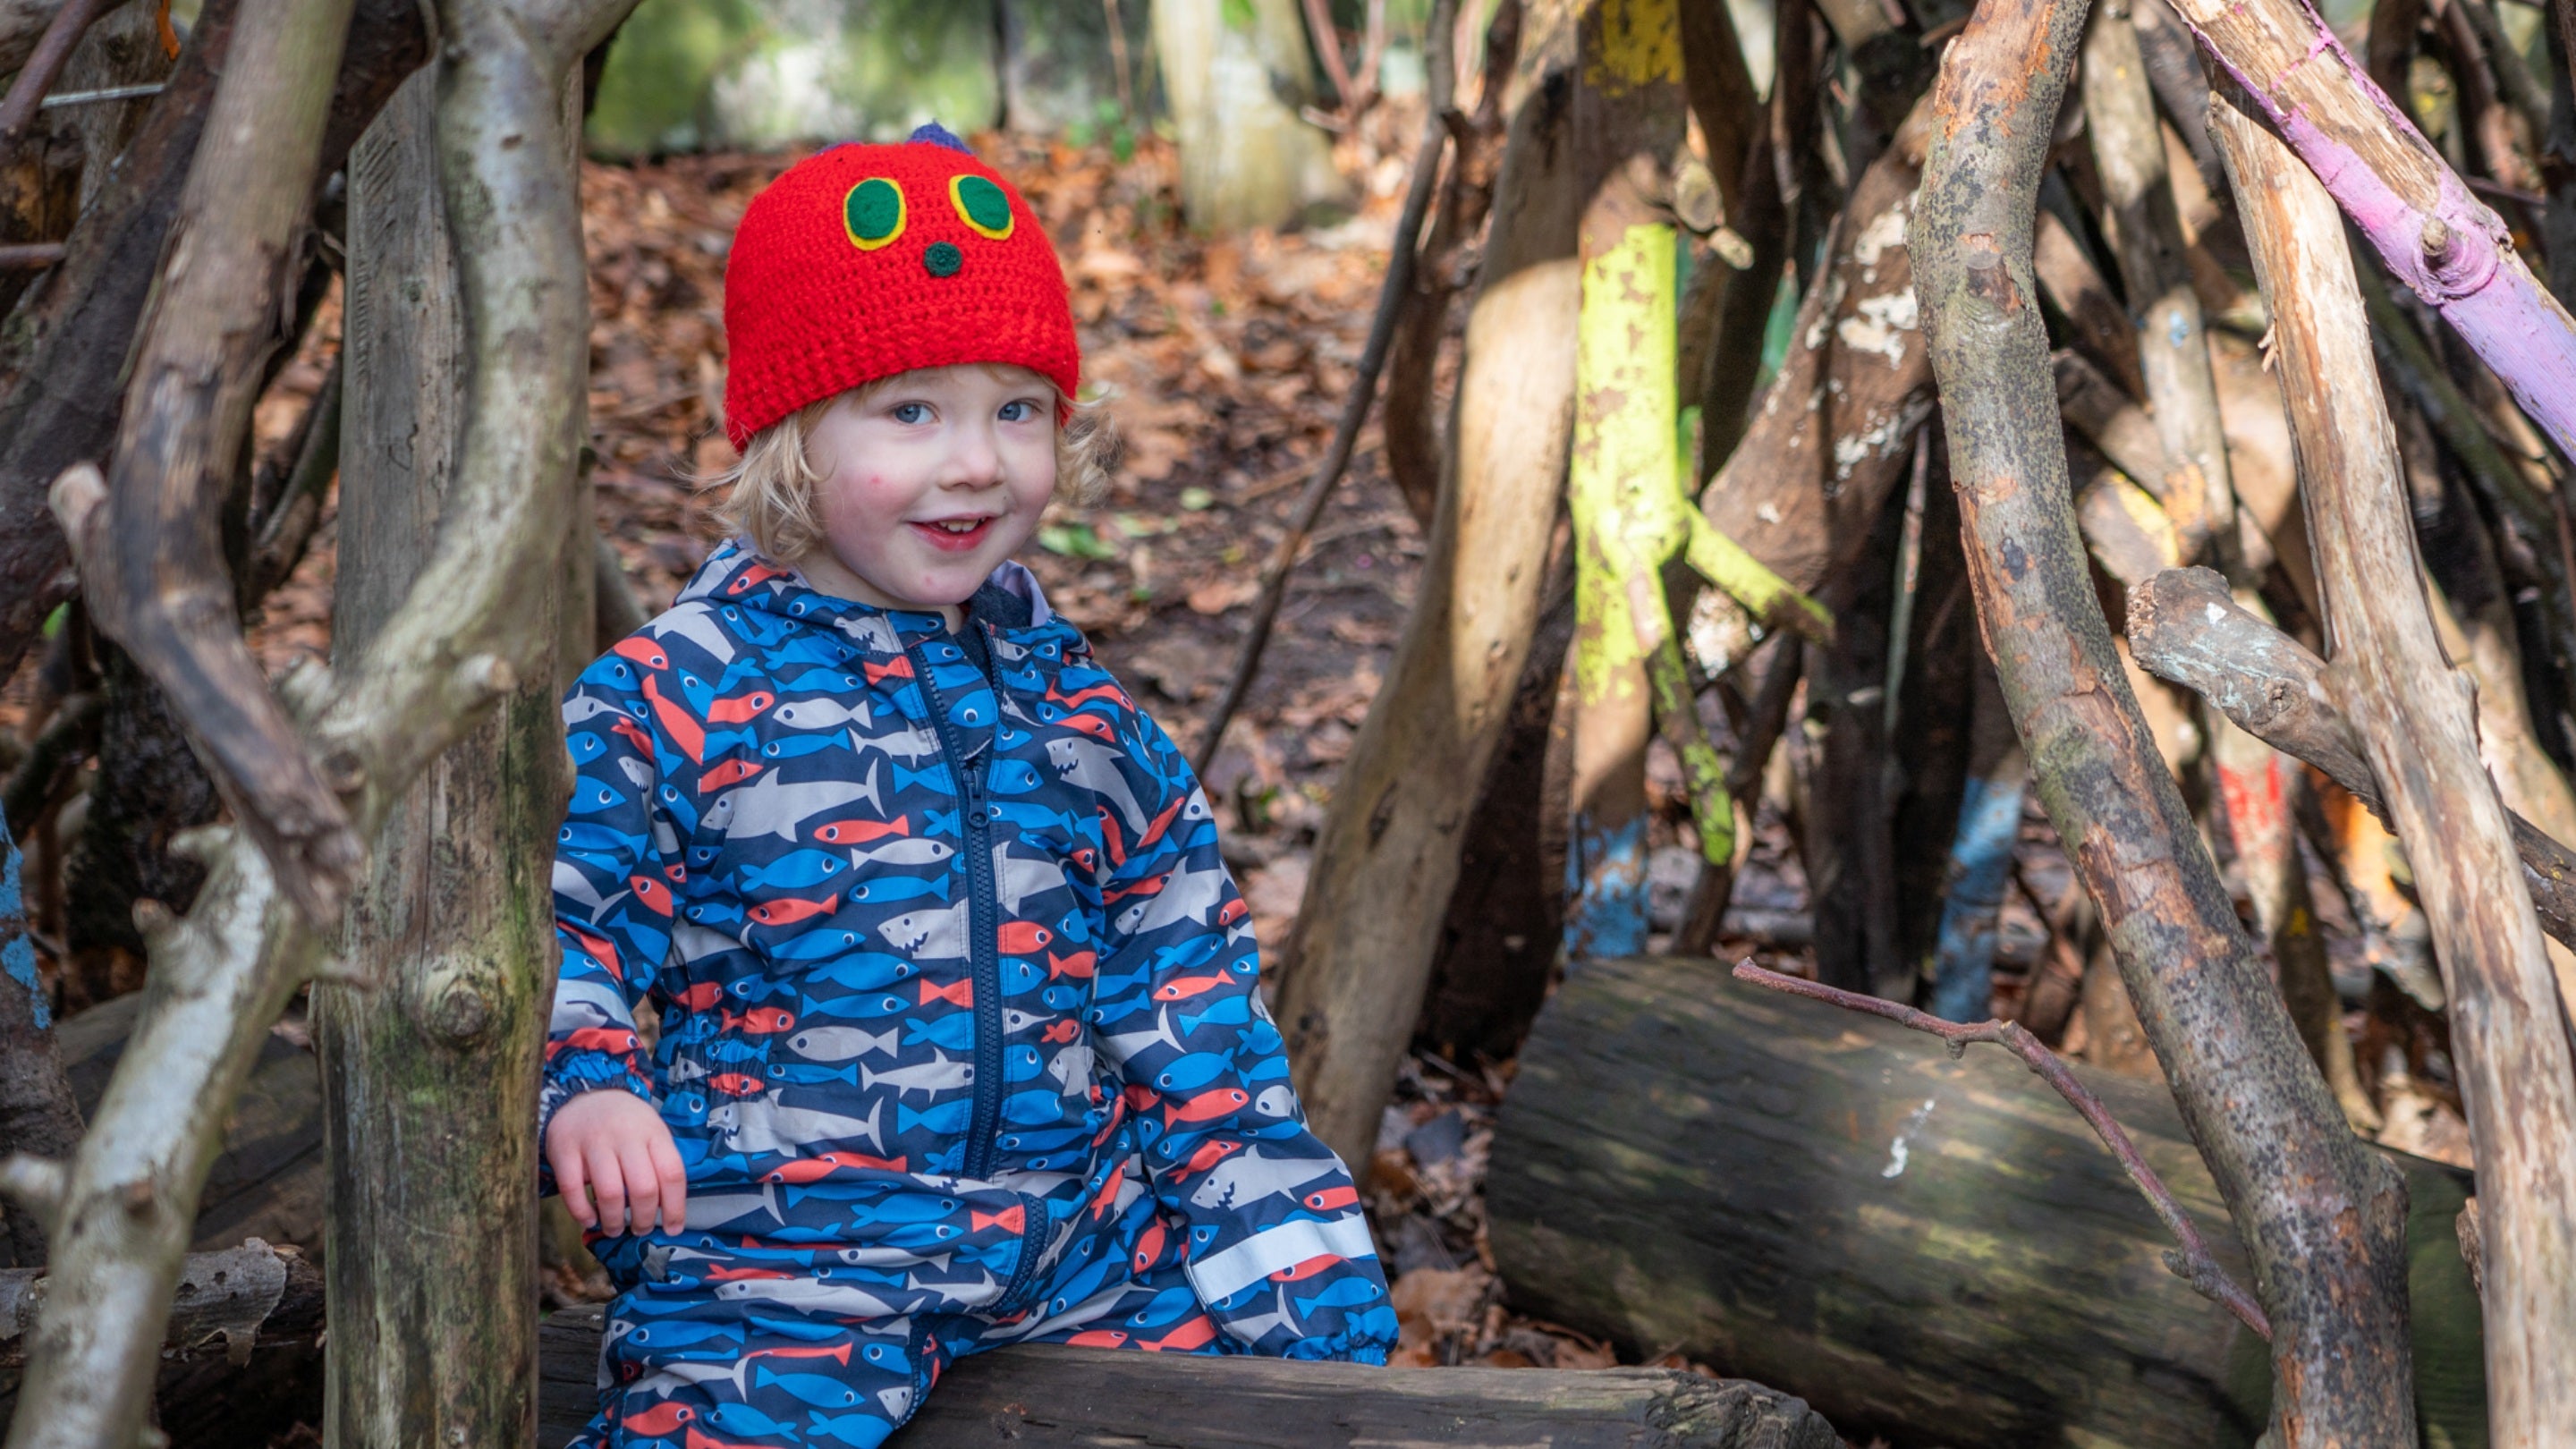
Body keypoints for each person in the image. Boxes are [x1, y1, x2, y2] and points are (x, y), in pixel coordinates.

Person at [538, 124, 1394, 1448]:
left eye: (1018, 409)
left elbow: (1191, 1002)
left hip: (1075, 1250)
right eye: (912, 410)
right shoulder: (677, 695)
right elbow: (560, 914)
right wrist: (584, 1080)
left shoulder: (1080, 716)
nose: (979, 461)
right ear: (793, 440)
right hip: (791, 1260)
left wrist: (1298, 1274)